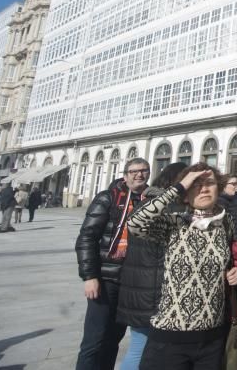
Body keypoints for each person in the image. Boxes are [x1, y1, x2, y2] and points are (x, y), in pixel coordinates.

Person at [126, 163, 237, 369]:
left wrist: (234, 272)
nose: (204, 189)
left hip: (212, 336)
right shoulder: (174, 222)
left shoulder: (226, 222)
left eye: (210, 183)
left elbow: (229, 260)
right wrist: (179, 186)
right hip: (170, 337)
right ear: (186, 195)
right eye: (196, 185)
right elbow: (135, 224)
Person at [74, 158, 151, 370]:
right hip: (105, 279)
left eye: (144, 171)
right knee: (94, 340)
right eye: (134, 171)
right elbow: (86, 238)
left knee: (113, 339)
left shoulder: (150, 201)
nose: (139, 175)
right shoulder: (108, 198)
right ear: (125, 175)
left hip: (130, 282)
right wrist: (90, 277)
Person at [116, 162, 187, 370]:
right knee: (141, 349)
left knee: (139, 346)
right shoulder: (166, 209)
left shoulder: (145, 203)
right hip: (151, 291)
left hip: (138, 287)